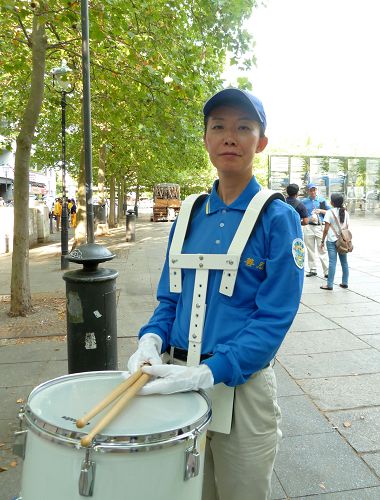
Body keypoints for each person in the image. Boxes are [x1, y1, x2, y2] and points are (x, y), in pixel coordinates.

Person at [127, 87, 304, 500]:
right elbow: (170, 299)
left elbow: (274, 316)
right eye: (218, 127)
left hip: (242, 392)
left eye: (243, 127)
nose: (230, 137)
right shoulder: (188, 215)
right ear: (205, 139)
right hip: (177, 383)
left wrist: (211, 371)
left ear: (260, 142)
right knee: (186, 493)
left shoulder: (278, 219)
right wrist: (150, 338)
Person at [320, 193, 350, 290]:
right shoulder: (346, 213)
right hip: (343, 240)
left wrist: (322, 240)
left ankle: (329, 285)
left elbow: (326, 229)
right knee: (344, 262)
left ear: (332, 202)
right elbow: (347, 227)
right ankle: (345, 282)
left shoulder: (329, 212)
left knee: (332, 262)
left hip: (332, 240)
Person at [301, 183, 330, 277]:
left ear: (316, 190)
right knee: (310, 249)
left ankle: (327, 271)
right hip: (308, 227)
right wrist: (309, 218)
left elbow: (329, 212)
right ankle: (312, 269)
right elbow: (301, 214)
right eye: (311, 190)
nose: (313, 192)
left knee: (322, 248)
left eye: (314, 190)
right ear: (308, 191)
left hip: (319, 227)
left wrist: (320, 211)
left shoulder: (322, 200)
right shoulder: (304, 201)